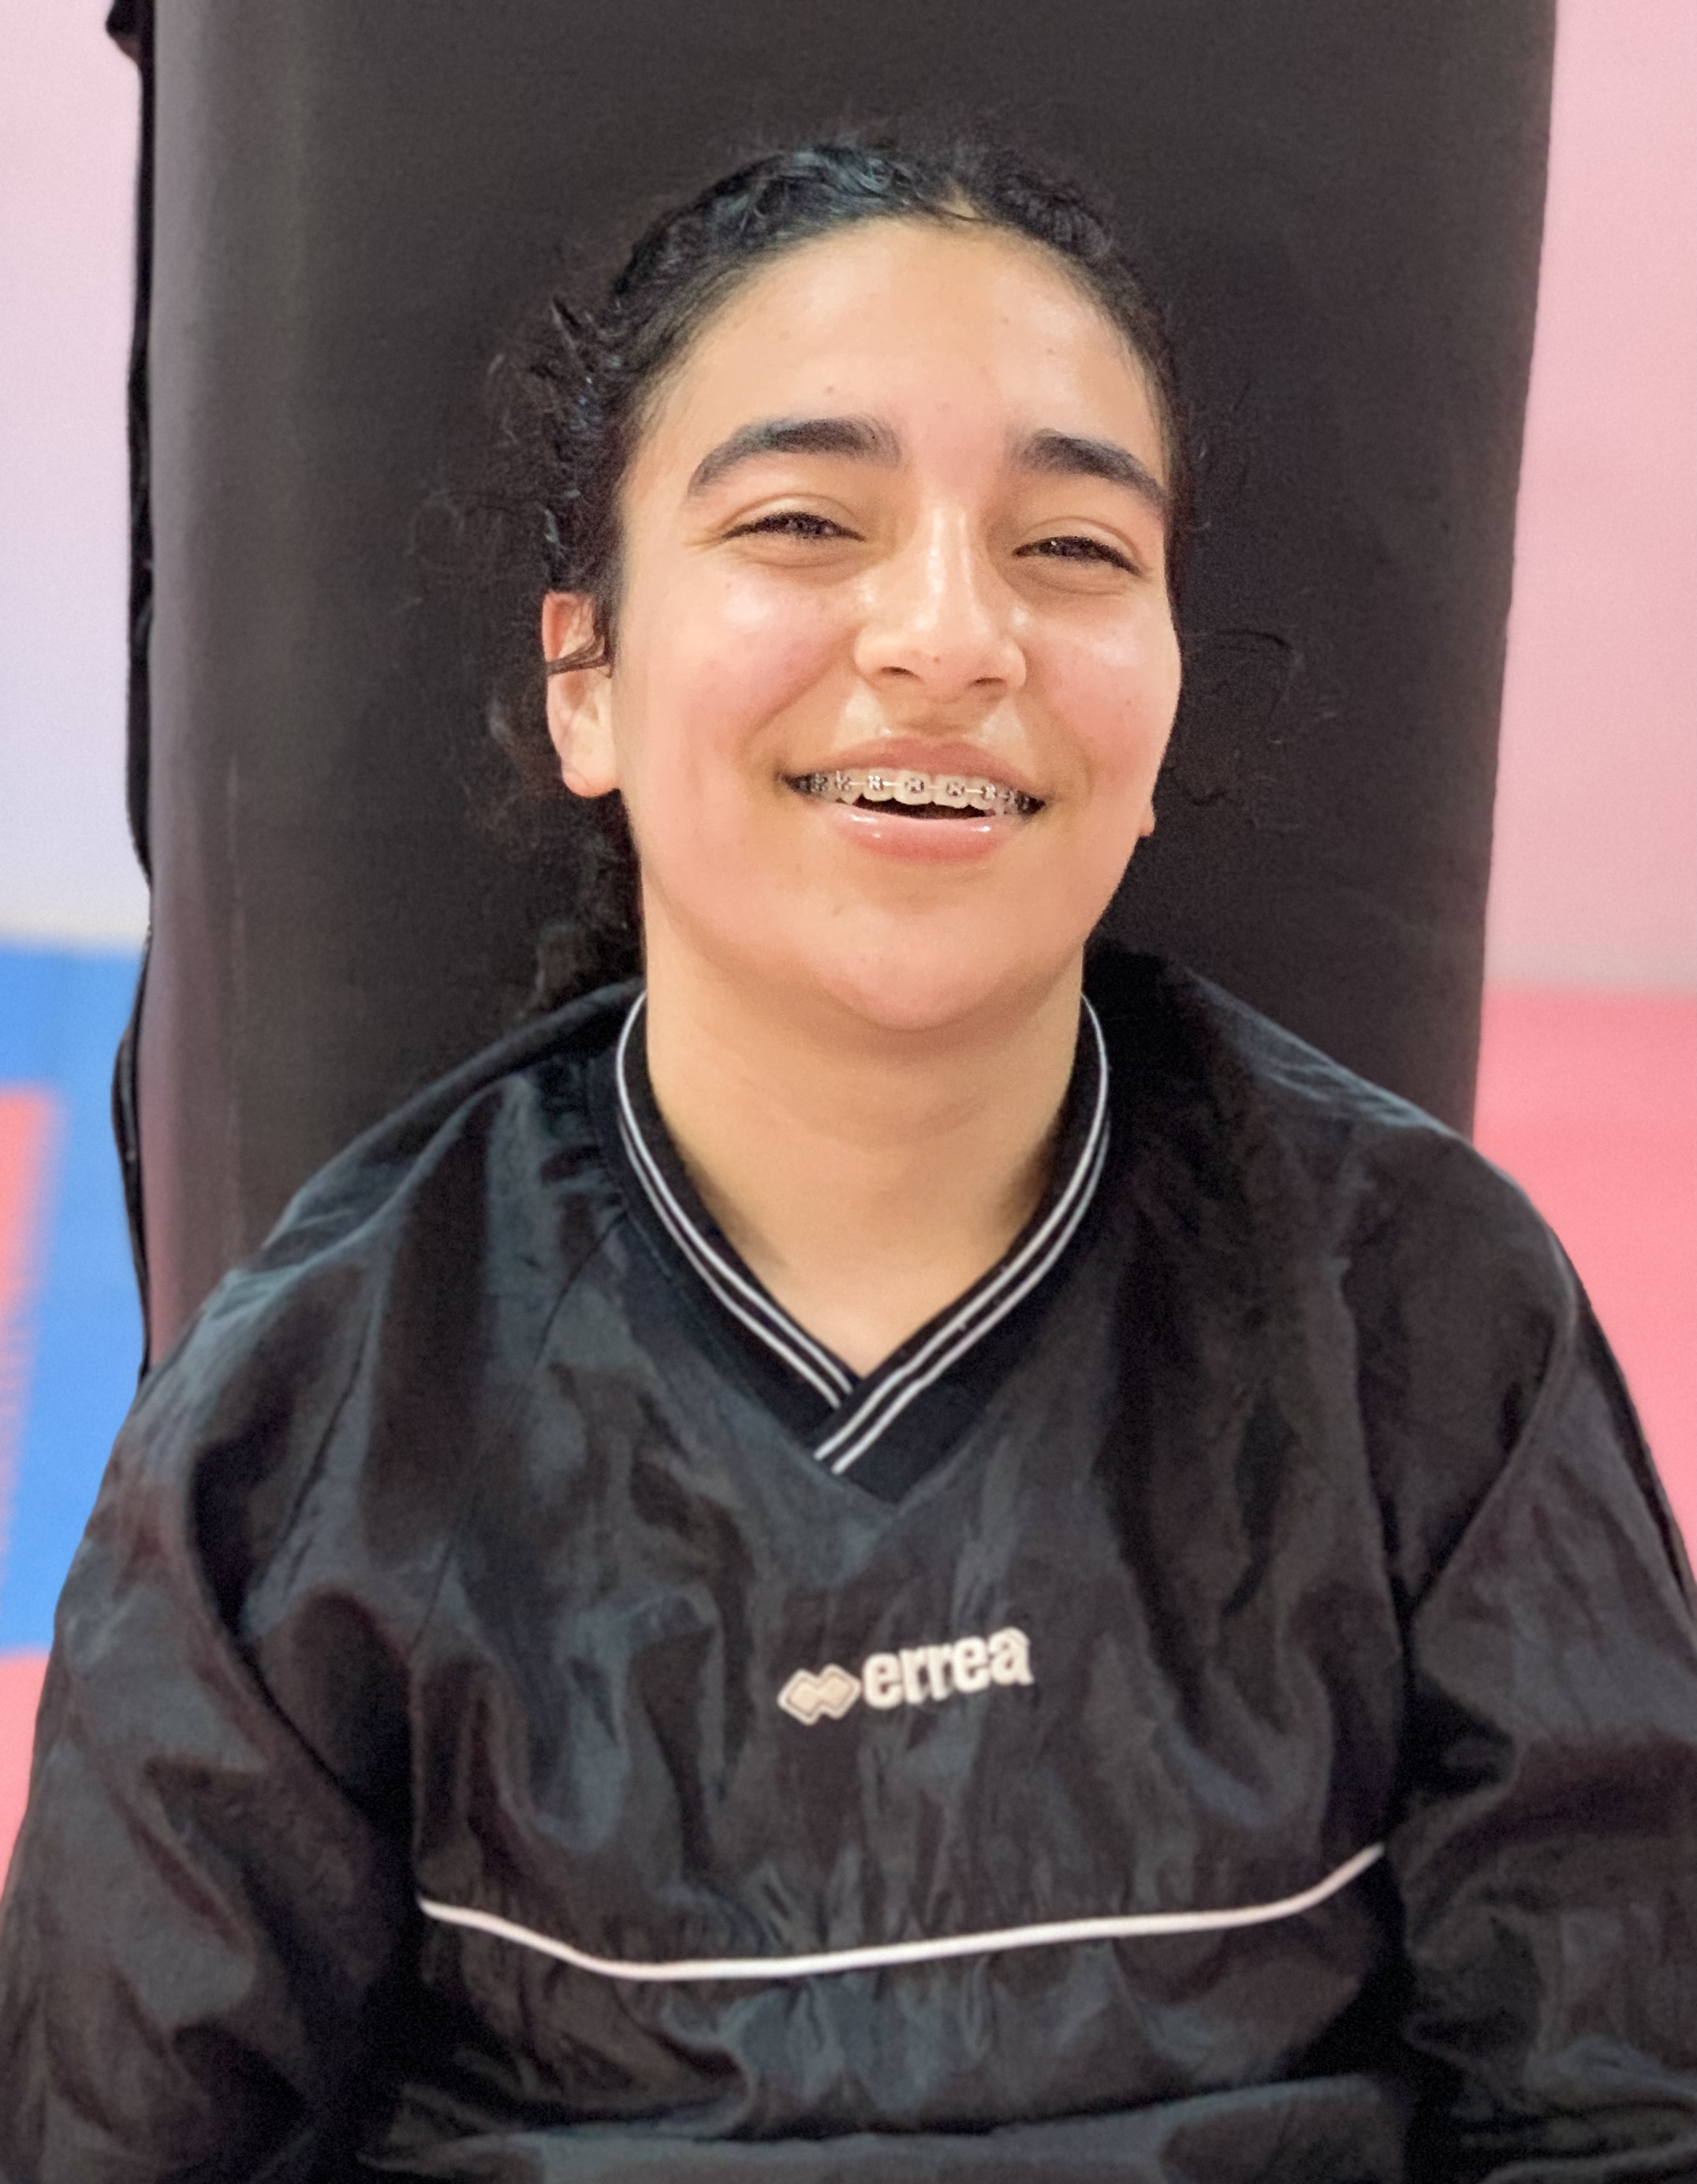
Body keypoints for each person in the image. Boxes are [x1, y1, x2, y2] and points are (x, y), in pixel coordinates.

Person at [2, 137, 1695, 2184]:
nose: (950, 635)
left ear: (1162, 704)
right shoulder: (313, 1417)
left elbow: (1624, 2108)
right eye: (806, 520)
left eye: (1072, 548)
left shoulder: (1425, 1318)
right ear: (586, 679)